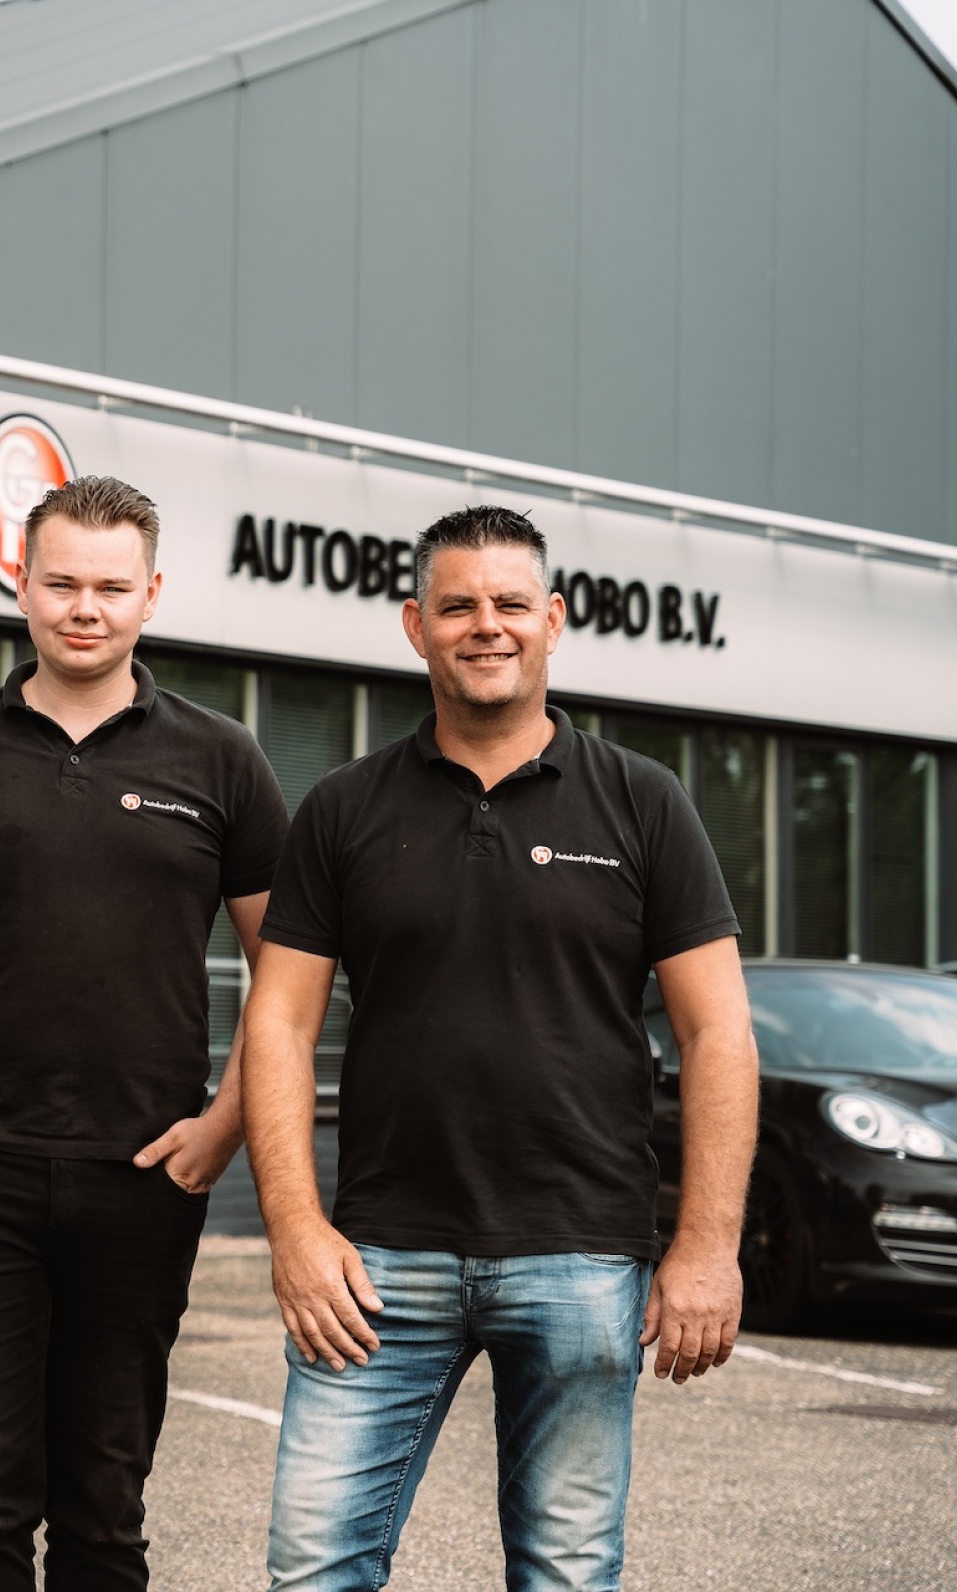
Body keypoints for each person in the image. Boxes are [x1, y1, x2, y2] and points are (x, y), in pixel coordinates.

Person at [241, 506, 759, 1592]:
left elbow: (717, 1032)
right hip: (376, 1261)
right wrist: (294, 1228)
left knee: (566, 1572)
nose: (487, 625)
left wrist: (706, 1246)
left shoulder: (643, 802)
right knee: (313, 1565)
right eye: (458, 605)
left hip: (580, 1252)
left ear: (553, 619)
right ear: (414, 625)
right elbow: (278, 1023)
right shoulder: (342, 808)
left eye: (511, 603)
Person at [0, 475, 292, 1591]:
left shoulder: (221, 757)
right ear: (21, 585)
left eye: (112, 587)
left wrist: (225, 1123)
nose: (86, 607)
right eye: (63, 582)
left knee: (104, 1508)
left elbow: (291, 966)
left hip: (144, 1172)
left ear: (151, 595)